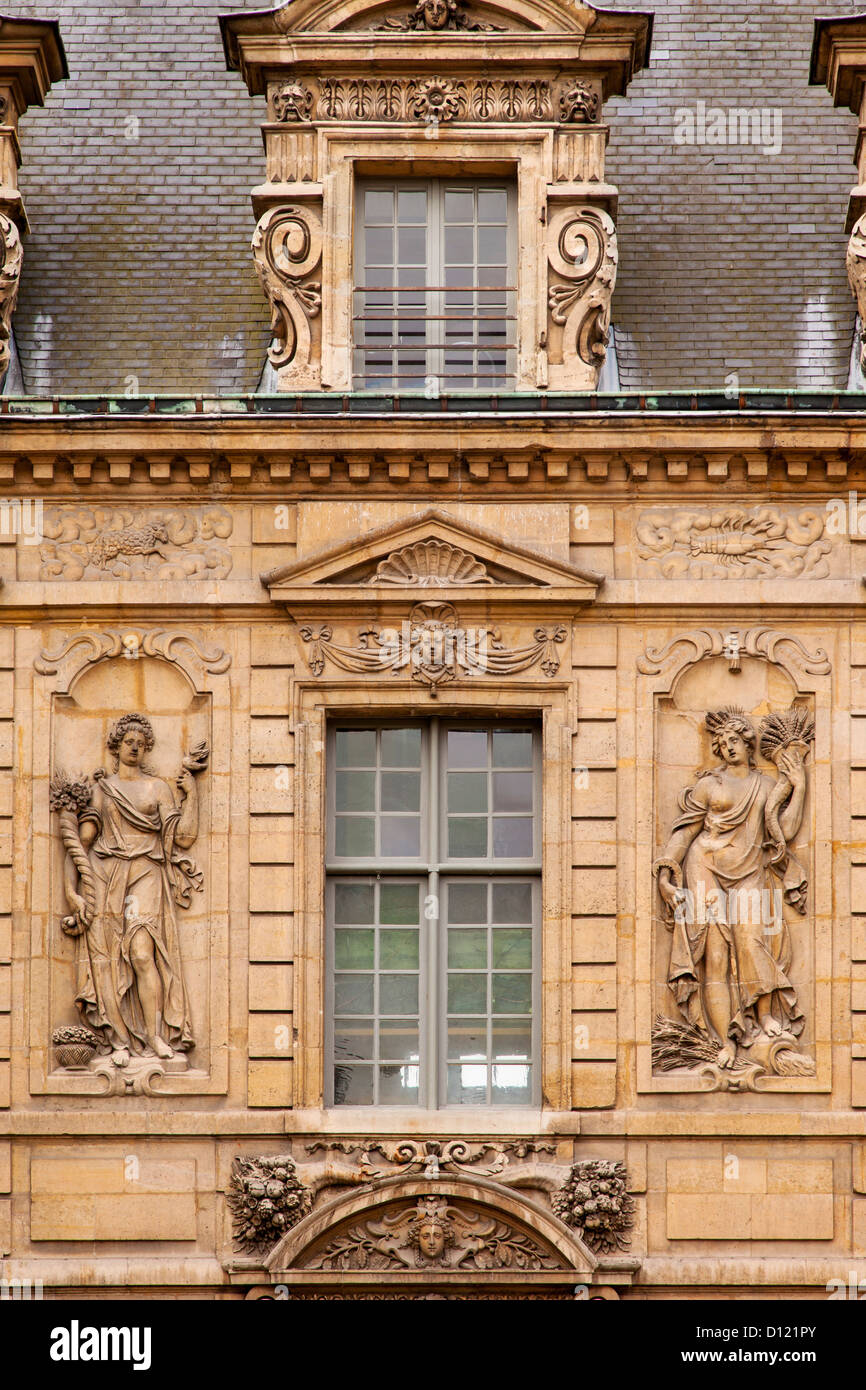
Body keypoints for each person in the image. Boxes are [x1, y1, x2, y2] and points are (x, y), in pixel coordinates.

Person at [654, 706, 807, 1068]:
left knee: (754, 943)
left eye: (735, 740)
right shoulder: (709, 785)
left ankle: (766, 1017)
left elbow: (782, 831)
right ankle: (724, 1042)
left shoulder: (767, 785)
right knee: (715, 958)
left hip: (750, 869)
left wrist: (798, 786)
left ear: (748, 743)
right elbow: (685, 832)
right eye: (723, 744)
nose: (729, 748)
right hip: (703, 865)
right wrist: (665, 874)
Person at [63, 713, 201, 1065]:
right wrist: (72, 890)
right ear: (117, 746)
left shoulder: (159, 788)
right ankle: (119, 1039)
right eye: (129, 742)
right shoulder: (101, 789)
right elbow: (82, 843)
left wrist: (193, 793)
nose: (135, 747)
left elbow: (184, 837)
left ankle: (154, 1035)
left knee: (142, 953)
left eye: (141, 743)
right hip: (105, 873)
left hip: (145, 872)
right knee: (106, 962)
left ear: (147, 747)